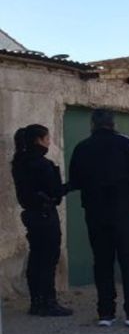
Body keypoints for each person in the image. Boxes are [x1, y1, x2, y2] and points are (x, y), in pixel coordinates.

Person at [68, 109, 129, 327]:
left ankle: (105, 313)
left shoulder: (82, 148)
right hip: (124, 212)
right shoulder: (126, 145)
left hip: (95, 214)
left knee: (102, 263)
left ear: (92, 125)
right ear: (113, 124)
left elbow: (75, 180)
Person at [11, 124, 73, 317]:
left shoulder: (20, 162)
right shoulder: (41, 164)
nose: (49, 141)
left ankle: (37, 302)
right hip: (45, 216)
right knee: (47, 259)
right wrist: (71, 185)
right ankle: (48, 302)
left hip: (32, 215)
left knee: (37, 258)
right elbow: (55, 192)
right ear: (39, 140)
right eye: (47, 138)